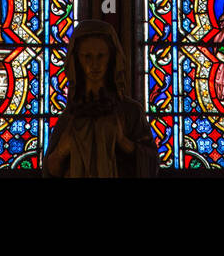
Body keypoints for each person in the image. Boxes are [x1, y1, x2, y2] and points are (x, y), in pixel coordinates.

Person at [43, 20, 158, 177]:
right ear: (77, 60)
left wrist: (123, 142)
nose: (94, 64)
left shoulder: (130, 112)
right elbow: (50, 171)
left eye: (101, 56)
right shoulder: (70, 116)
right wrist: (62, 150)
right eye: (87, 57)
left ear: (111, 58)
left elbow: (151, 165)